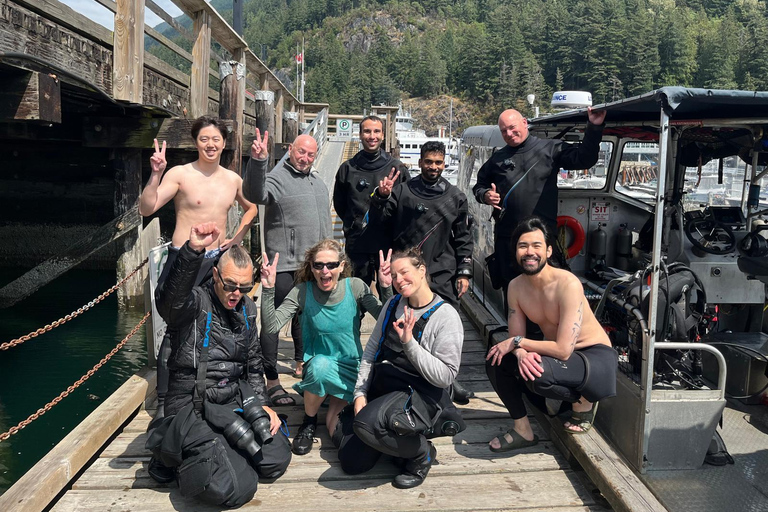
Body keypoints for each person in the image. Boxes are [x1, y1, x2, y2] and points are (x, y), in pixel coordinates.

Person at [145, 222, 291, 506]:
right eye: (230, 285)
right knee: (233, 488)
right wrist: (192, 251)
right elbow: (169, 303)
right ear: (214, 275)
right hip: (190, 405)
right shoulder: (195, 304)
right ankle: (169, 449)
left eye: (245, 287)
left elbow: (253, 363)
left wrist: (263, 404)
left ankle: (215, 450)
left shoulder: (247, 308)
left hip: (230, 402)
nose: (236, 293)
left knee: (275, 459)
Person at [139, 116, 258, 423]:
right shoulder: (180, 174)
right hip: (184, 258)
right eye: (204, 139)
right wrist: (155, 175)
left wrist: (239, 235)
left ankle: (212, 388)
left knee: (214, 324)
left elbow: (253, 206)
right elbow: (147, 208)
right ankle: (166, 401)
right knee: (174, 327)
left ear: (224, 143)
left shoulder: (232, 179)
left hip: (216, 260)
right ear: (196, 142)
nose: (210, 144)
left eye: (216, 139)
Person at [485, 217, 617, 452]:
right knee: (496, 359)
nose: (529, 252)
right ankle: (523, 430)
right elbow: (516, 339)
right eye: (523, 246)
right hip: (559, 356)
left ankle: (584, 401)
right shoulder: (515, 286)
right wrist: (520, 353)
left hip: (593, 357)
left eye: (536, 246)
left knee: (538, 375)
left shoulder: (568, 284)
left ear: (548, 250)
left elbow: (563, 349)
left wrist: (518, 344)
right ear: (516, 251)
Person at [337, 248, 465, 489]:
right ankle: (397, 443)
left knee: (365, 425)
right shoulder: (393, 304)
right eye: (394, 276)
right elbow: (370, 351)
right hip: (386, 388)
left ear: (422, 270)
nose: (398, 281)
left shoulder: (446, 316)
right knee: (351, 462)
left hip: (421, 394)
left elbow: (446, 376)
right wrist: (360, 393)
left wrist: (409, 344)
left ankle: (421, 453)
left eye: (404, 272)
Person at [259, 240, 394, 455]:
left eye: (331, 265)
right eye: (318, 265)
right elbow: (271, 327)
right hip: (318, 369)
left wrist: (386, 288)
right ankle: (309, 420)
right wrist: (268, 289)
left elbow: (386, 320)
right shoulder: (302, 291)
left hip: (352, 369)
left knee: (340, 429)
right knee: (320, 366)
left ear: (341, 266)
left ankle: (333, 411)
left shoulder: (355, 286)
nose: (325, 271)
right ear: (311, 267)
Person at [472, 107, 606, 292]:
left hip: (541, 240)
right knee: (512, 296)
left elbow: (584, 159)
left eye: (512, 127)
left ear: (525, 122)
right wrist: (485, 195)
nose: (509, 134)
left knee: (544, 293)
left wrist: (594, 127)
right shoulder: (497, 159)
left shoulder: (550, 149)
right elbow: (478, 186)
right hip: (508, 241)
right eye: (504, 131)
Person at [243, 131, 332, 405]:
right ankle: (270, 380)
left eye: (311, 154)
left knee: (307, 321)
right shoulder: (276, 178)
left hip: (314, 269)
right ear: (291, 149)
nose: (305, 158)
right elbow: (253, 193)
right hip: (284, 268)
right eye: (301, 152)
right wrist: (259, 161)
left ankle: (303, 366)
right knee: (271, 324)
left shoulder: (319, 184)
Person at [370, 140, 473, 309]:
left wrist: (464, 271)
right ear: (420, 162)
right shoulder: (401, 191)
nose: (433, 167)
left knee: (447, 316)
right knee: (404, 319)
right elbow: (379, 222)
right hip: (406, 269)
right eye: (429, 162)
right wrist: (381, 197)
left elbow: (464, 237)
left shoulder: (456, 197)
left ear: (444, 164)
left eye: (438, 162)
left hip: (441, 272)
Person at [333, 115, 409, 284]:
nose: (372, 136)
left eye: (376, 131)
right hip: (358, 242)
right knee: (356, 293)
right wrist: (354, 223)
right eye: (367, 131)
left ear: (383, 135)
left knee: (391, 295)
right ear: (360, 135)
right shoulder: (348, 168)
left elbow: (405, 207)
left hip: (388, 242)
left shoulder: (397, 168)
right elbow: (340, 204)